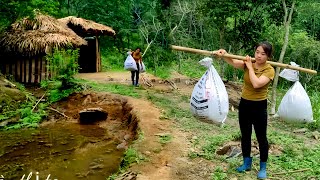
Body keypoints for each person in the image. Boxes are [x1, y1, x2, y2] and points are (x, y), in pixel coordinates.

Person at [216, 41, 275, 179]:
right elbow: (235, 63)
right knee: (245, 135)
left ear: (268, 56)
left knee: (261, 138)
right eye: (257, 52)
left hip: (259, 107)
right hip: (245, 105)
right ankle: (246, 163)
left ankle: (263, 167)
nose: (259, 56)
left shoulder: (269, 70)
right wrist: (224, 55)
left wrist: (249, 67)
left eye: (263, 54)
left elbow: (256, 84)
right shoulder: (250, 63)